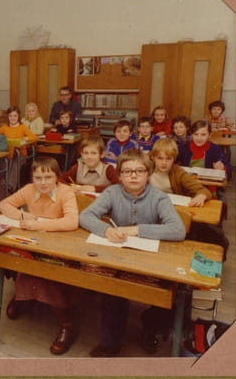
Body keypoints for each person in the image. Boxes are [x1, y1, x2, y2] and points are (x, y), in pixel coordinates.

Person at [79, 149, 186, 356]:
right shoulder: (112, 192)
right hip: (119, 255)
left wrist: (136, 230)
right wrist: (107, 230)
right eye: (127, 172)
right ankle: (110, 344)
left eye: (139, 171)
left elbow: (178, 229)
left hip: (149, 258)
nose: (134, 176)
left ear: (148, 174)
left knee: (167, 292)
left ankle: (150, 325)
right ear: (119, 175)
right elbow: (86, 216)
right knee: (112, 289)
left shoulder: (159, 197)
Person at [0, 156, 81, 355]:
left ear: (57, 177)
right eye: (38, 178)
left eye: (48, 177)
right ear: (32, 178)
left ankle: (67, 323)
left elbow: (71, 222)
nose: (43, 183)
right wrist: (22, 215)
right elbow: (3, 204)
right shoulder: (29, 189)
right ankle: (23, 296)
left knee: (43, 273)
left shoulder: (65, 191)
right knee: (19, 259)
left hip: (58, 243)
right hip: (34, 241)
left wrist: (37, 224)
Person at [148, 138, 212, 206]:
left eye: (168, 158)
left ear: (174, 159)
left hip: (170, 206)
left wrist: (202, 195)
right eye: (160, 158)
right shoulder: (147, 167)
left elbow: (203, 191)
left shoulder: (178, 172)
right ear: (153, 157)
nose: (164, 163)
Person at [0, 105, 37, 190]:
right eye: (10, 116)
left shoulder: (22, 127)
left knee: (15, 163)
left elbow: (34, 137)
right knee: (3, 162)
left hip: (21, 155)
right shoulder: (4, 127)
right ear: (8, 117)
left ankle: (10, 186)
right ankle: (1, 184)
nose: (13, 118)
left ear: (18, 116)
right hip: (8, 154)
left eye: (15, 116)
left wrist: (25, 138)